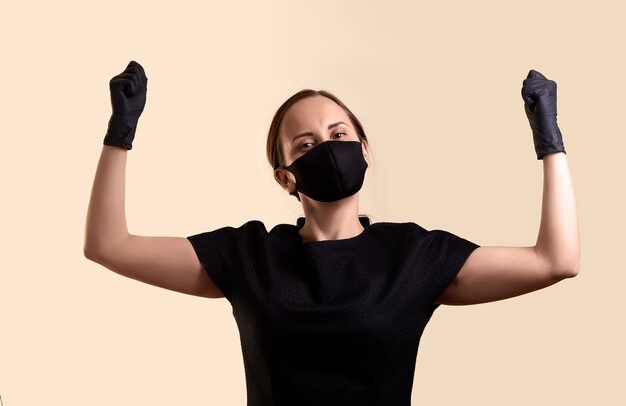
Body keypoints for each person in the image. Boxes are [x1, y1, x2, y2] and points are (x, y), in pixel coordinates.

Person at [83, 61, 580, 406]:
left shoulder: (412, 256)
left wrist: (549, 140)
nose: (327, 146)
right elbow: (109, 245)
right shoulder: (250, 255)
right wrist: (119, 132)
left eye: (339, 135)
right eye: (306, 143)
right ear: (285, 176)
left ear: (364, 150)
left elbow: (556, 261)